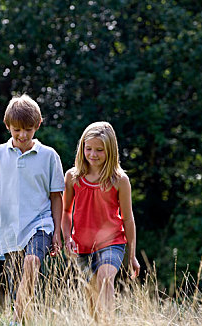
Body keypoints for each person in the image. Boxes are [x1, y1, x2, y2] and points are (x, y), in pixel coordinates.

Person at [0, 94, 65, 323]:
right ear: (7, 126)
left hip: (41, 224)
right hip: (11, 231)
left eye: (28, 129)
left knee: (32, 262)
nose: (22, 135)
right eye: (16, 130)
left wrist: (57, 232)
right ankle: (23, 319)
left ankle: (15, 319)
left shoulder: (49, 156)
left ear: (38, 125)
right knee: (19, 288)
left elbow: (56, 197)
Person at [61, 121, 140, 320]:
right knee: (92, 295)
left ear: (110, 151)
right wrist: (67, 238)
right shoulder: (72, 177)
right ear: (82, 148)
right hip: (83, 246)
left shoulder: (119, 180)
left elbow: (128, 219)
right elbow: (65, 212)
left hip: (112, 242)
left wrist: (132, 255)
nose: (93, 154)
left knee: (105, 279)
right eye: (89, 149)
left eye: (100, 150)